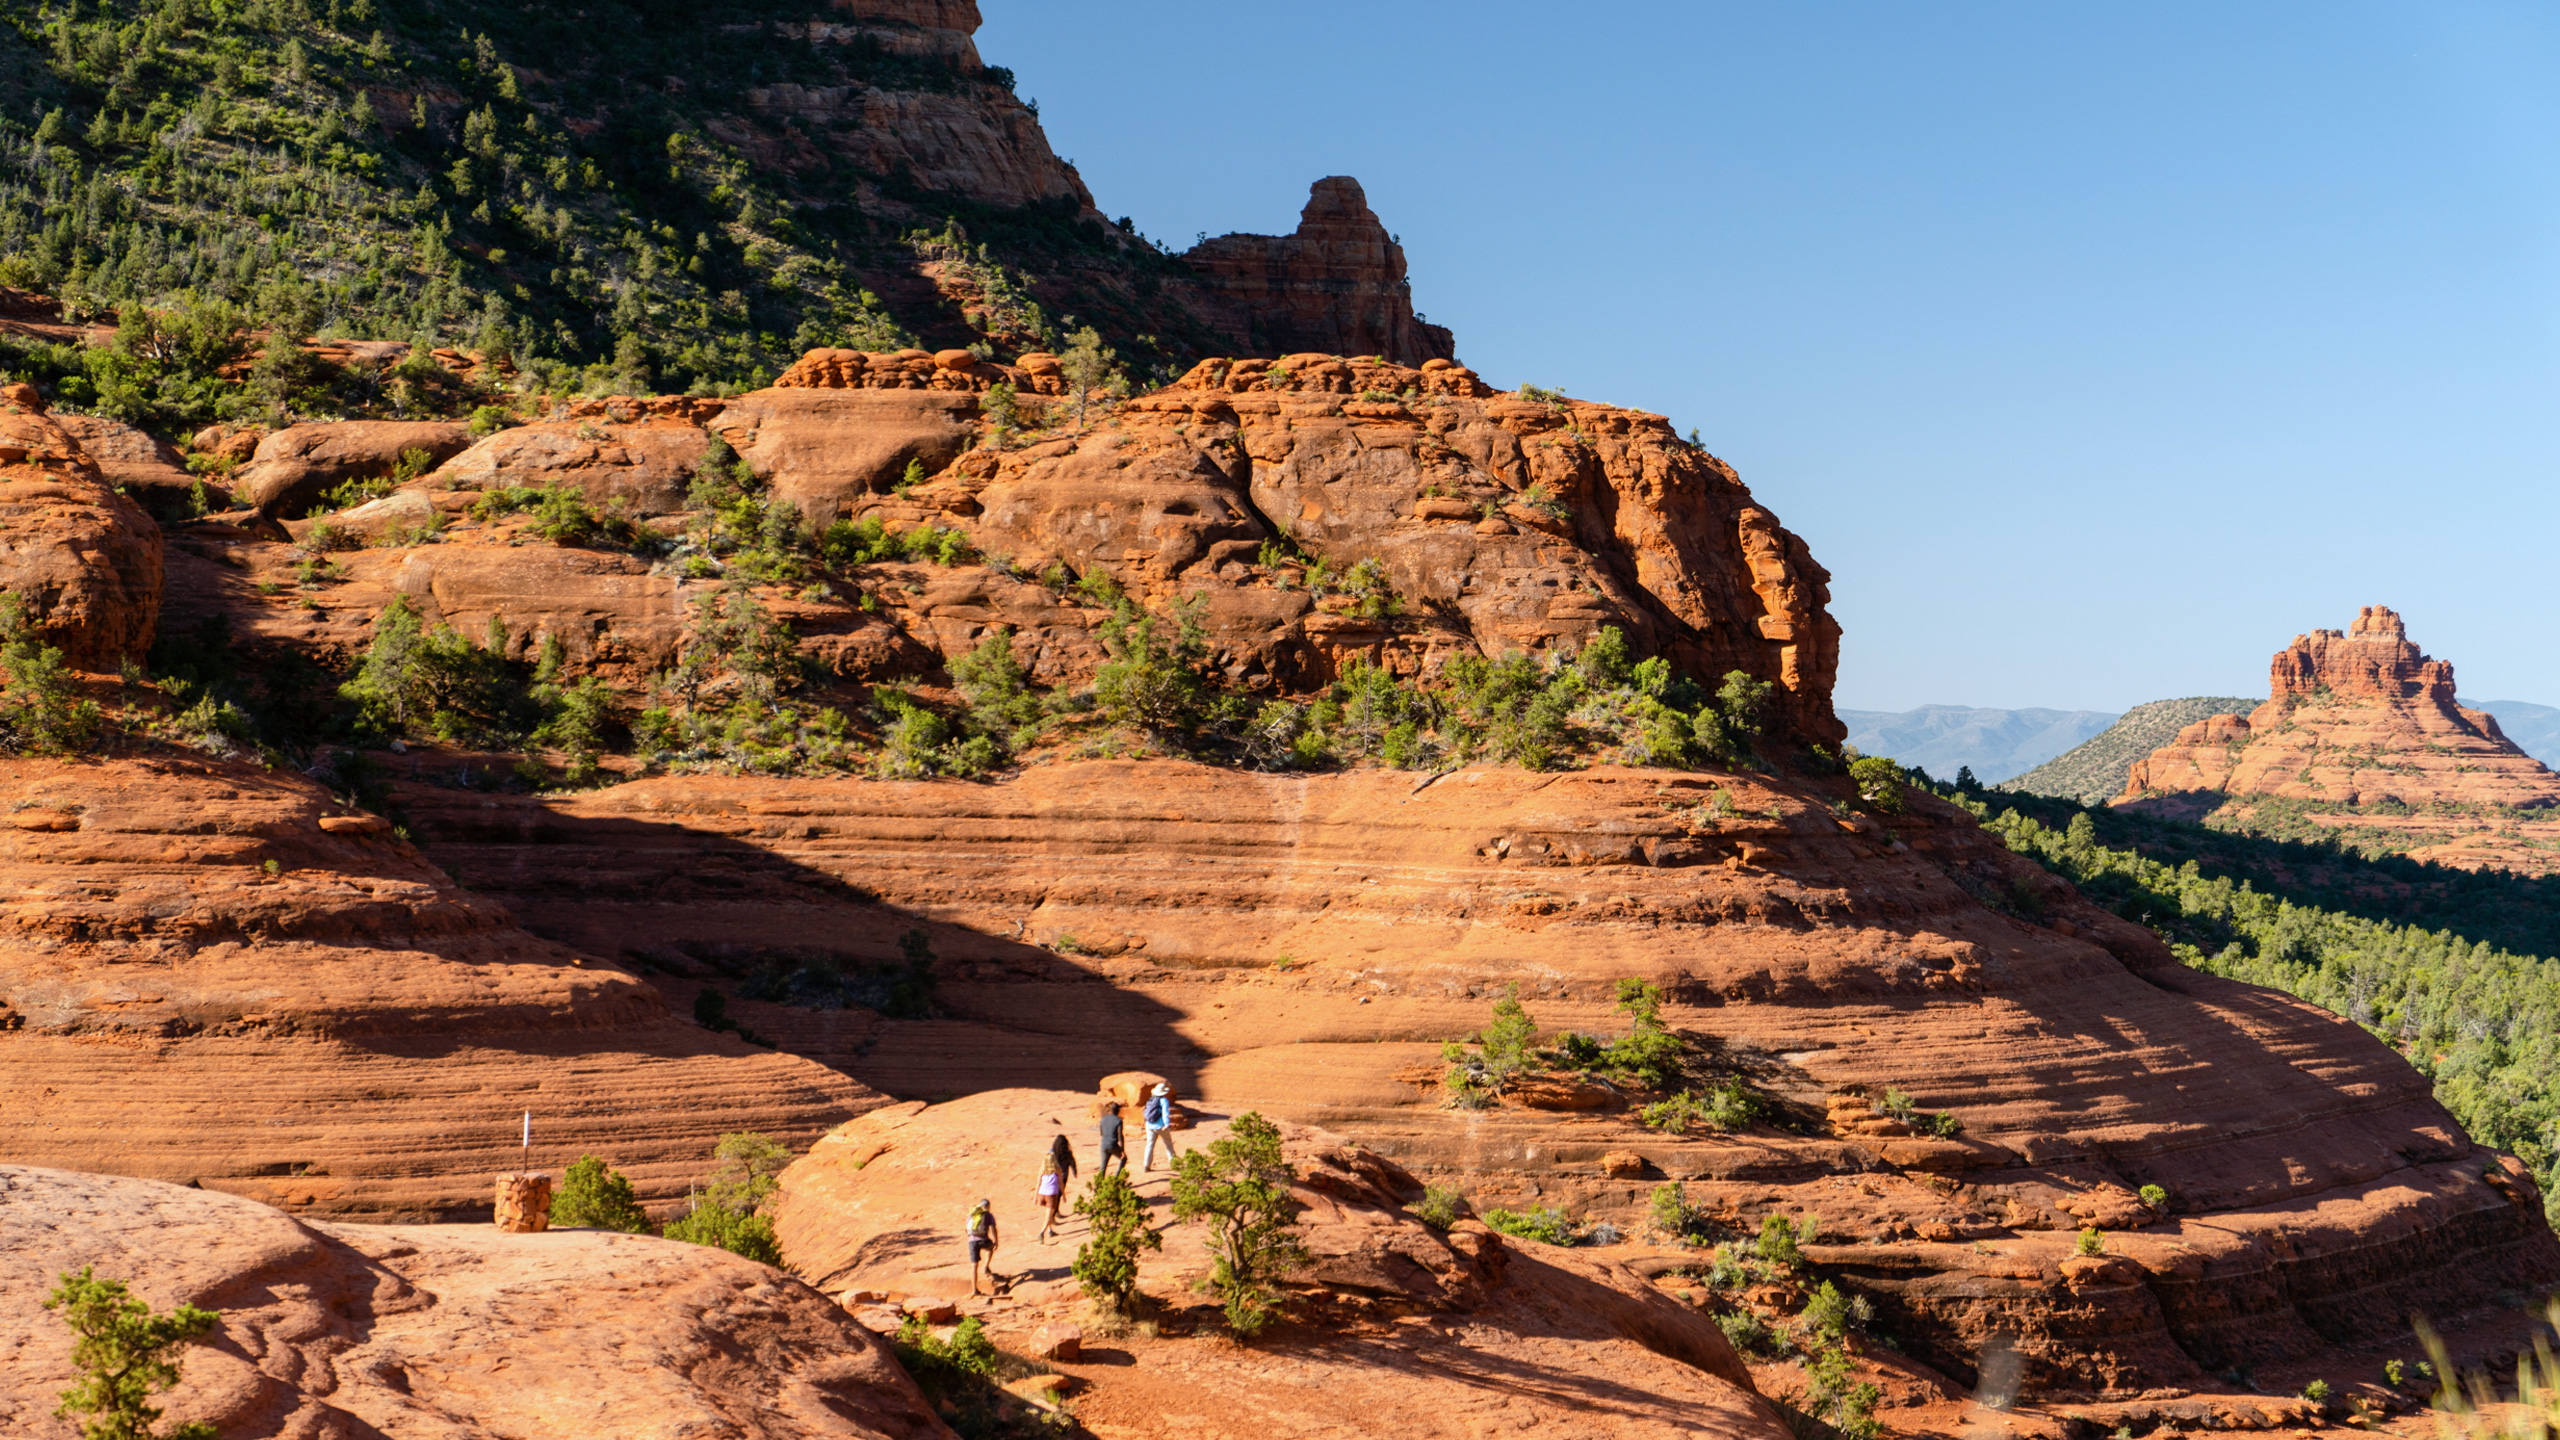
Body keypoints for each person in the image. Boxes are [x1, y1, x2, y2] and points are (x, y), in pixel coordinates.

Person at [1037, 1133, 1076, 1242]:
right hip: (1057, 1184)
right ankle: (1043, 1231)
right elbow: (1072, 1162)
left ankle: (1050, 1228)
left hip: (1046, 1188)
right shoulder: (1065, 1155)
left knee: (1050, 1208)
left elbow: (1038, 1179)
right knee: (1051, 1209)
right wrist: (1063, 1195)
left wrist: (1036, 1196)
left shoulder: (1051, 1153)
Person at [1141, 1082, 1179, 1171]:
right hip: (1160, 1126)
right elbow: (1165, 1113)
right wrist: (1166, 1124)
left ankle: (1146, 1166)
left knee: (1149, 1145)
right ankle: (1174, 1165)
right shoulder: (1163, 1100)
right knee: (1168, 1144)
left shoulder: (1150, 1099)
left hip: (1149, 1125)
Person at [966, 1197, 1000, 1295]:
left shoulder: (973, 1213)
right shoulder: (988, 1215)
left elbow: (966, 1227)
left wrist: (970, 1237)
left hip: (972, 1241)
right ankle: (986, 1266)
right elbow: (993, 1228)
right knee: (990, 1248)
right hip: (984, 1240)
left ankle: (974, 1290)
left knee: (974, 1266)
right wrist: (996, 1241)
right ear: (988, 1206)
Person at [1097, 1101, 1127, 1179]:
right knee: (1124, 1158)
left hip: (1104, 1145)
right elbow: (1120, 1135)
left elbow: (1101, 1133)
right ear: (1118, 1111)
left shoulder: (1103, 1119)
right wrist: (1122, 1150)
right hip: (1113, 1145)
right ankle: (1116, 1178)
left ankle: (1099, 1184)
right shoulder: (1118, 1120)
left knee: (1103, 1166)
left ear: (1110, 1110)